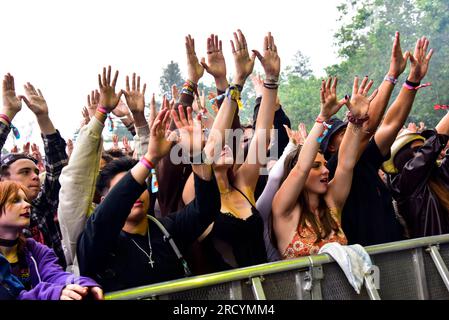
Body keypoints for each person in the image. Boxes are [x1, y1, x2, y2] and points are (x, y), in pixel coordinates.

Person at [76, 66, 220, 292]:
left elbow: (207, 208)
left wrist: (196, 154)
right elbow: (106, 217)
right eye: (126, 190)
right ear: (104, 200)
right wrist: (150, 158)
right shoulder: (98, 242)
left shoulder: (167, 228)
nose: (135, 194)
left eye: (139, 187)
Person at [320, 33, 433, 246]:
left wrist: (412, 81)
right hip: (370, 265)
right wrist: (391, 75)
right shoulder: (334, 170)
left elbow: (391, 123)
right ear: (331, 148)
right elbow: (368, 127)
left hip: (398, 255)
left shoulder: (366, 160)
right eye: (343, 134)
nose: (351, 132)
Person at [182, 31, 279, 272]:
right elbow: (211, 146)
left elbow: (263, 135)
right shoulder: (196, 193)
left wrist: (271, 79)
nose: (224, 144)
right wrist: (236, 80)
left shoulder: (244, 185)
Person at [272, 76, 378, 258]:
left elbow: (346, 164)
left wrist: (357, 121)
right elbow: (301, 168)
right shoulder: (285, 211)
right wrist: (323, 118)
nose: (326, 171)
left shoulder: (331, 203)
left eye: (325, 165)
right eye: (316, 166)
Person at [0, 74, 68, 267]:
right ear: (3, 180)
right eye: (24, 172)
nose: (35, 177)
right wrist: (7, 113)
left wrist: (43, 118)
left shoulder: (40, 207)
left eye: (35, 171)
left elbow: (58, 169)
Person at [0, 181, 102, 300]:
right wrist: (52, 293)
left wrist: (81, 285)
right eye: (15, 200)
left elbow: (55, 276)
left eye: (26, 200)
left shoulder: (35, 250)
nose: (27, 205)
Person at [383, 111, 449, 237]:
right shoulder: (402, 183)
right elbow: (435, 142)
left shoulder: (438, 174)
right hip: (432, 253)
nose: (424, 152)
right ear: (403, 158)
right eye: (418, 150)